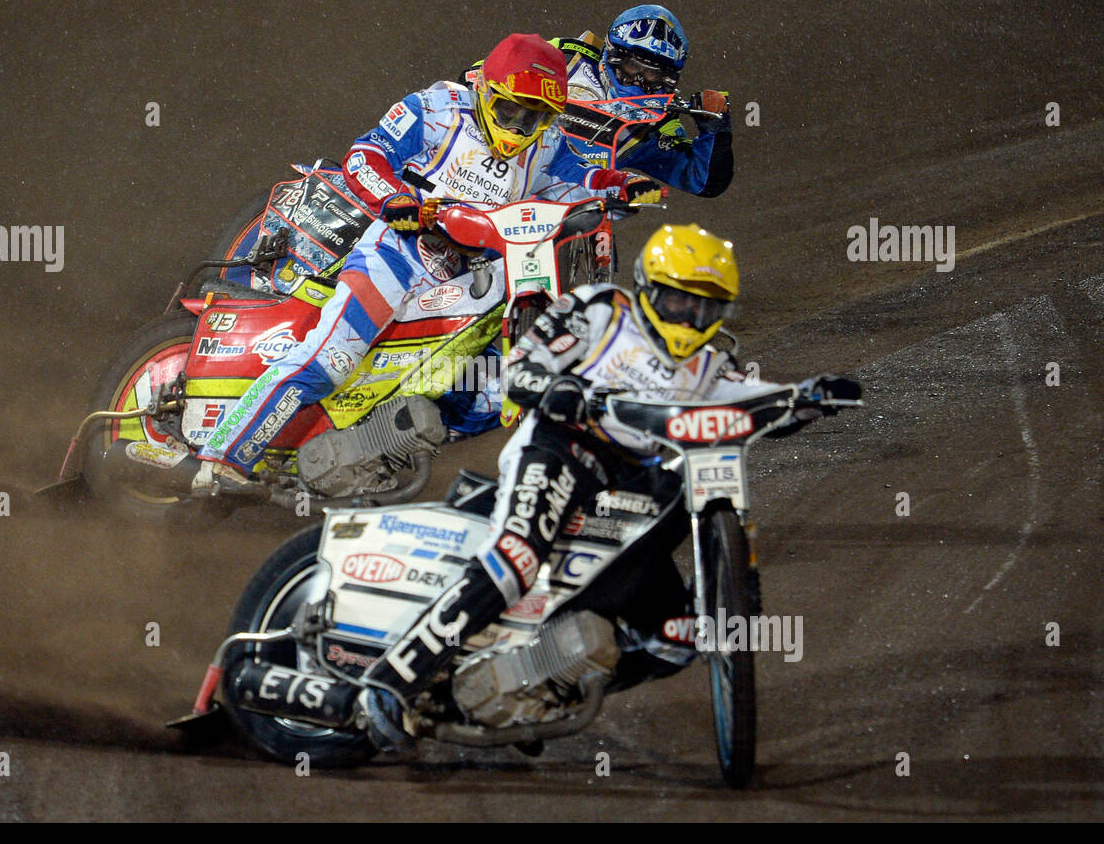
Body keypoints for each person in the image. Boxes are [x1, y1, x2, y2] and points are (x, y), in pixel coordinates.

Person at [354, 223, 861, 750]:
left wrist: (808, 395)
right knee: (517, 555)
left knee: (675, 639)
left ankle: (547, 683)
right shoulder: (601, 309)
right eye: (676, 302)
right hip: (561, 445)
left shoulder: (712, 364)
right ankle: (390, 680)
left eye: (704, 309)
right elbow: (521, 369)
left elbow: (753, 399)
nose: (688, 320)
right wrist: (559, 389)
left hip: (629, 477)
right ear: (646, 286)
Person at [122, 33, 660, 496]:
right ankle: (219, 460)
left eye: (537, 117)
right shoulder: (437, 107)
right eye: (511, 110)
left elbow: (580, 181)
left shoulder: (548, 145)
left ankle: (372, 453)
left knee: (483, 392)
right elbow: (366, 154)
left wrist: (620, 185)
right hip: (397, 252)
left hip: (471, 275)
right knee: (329, 360)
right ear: (485, 91)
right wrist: (394, 200)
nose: (521, 127)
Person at [551, 4, 733, 198]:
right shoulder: (564, 56)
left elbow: (704, 181)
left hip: (578, 214)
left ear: (667, 78)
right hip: (520, 178)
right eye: (632, 66)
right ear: (613, 54)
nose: (638, 81)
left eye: (651, 74)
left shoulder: (655, 121)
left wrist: (716, 129)